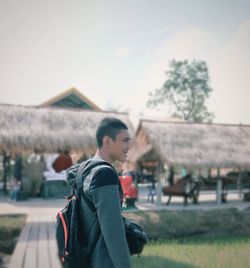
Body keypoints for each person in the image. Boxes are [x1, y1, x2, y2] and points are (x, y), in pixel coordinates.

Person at [67, 117, 131, 268]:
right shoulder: (104, 175)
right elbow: (113, 234)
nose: (128, 146)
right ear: (108, 141)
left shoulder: (83, 171)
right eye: (125, 141)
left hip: (83, 258)